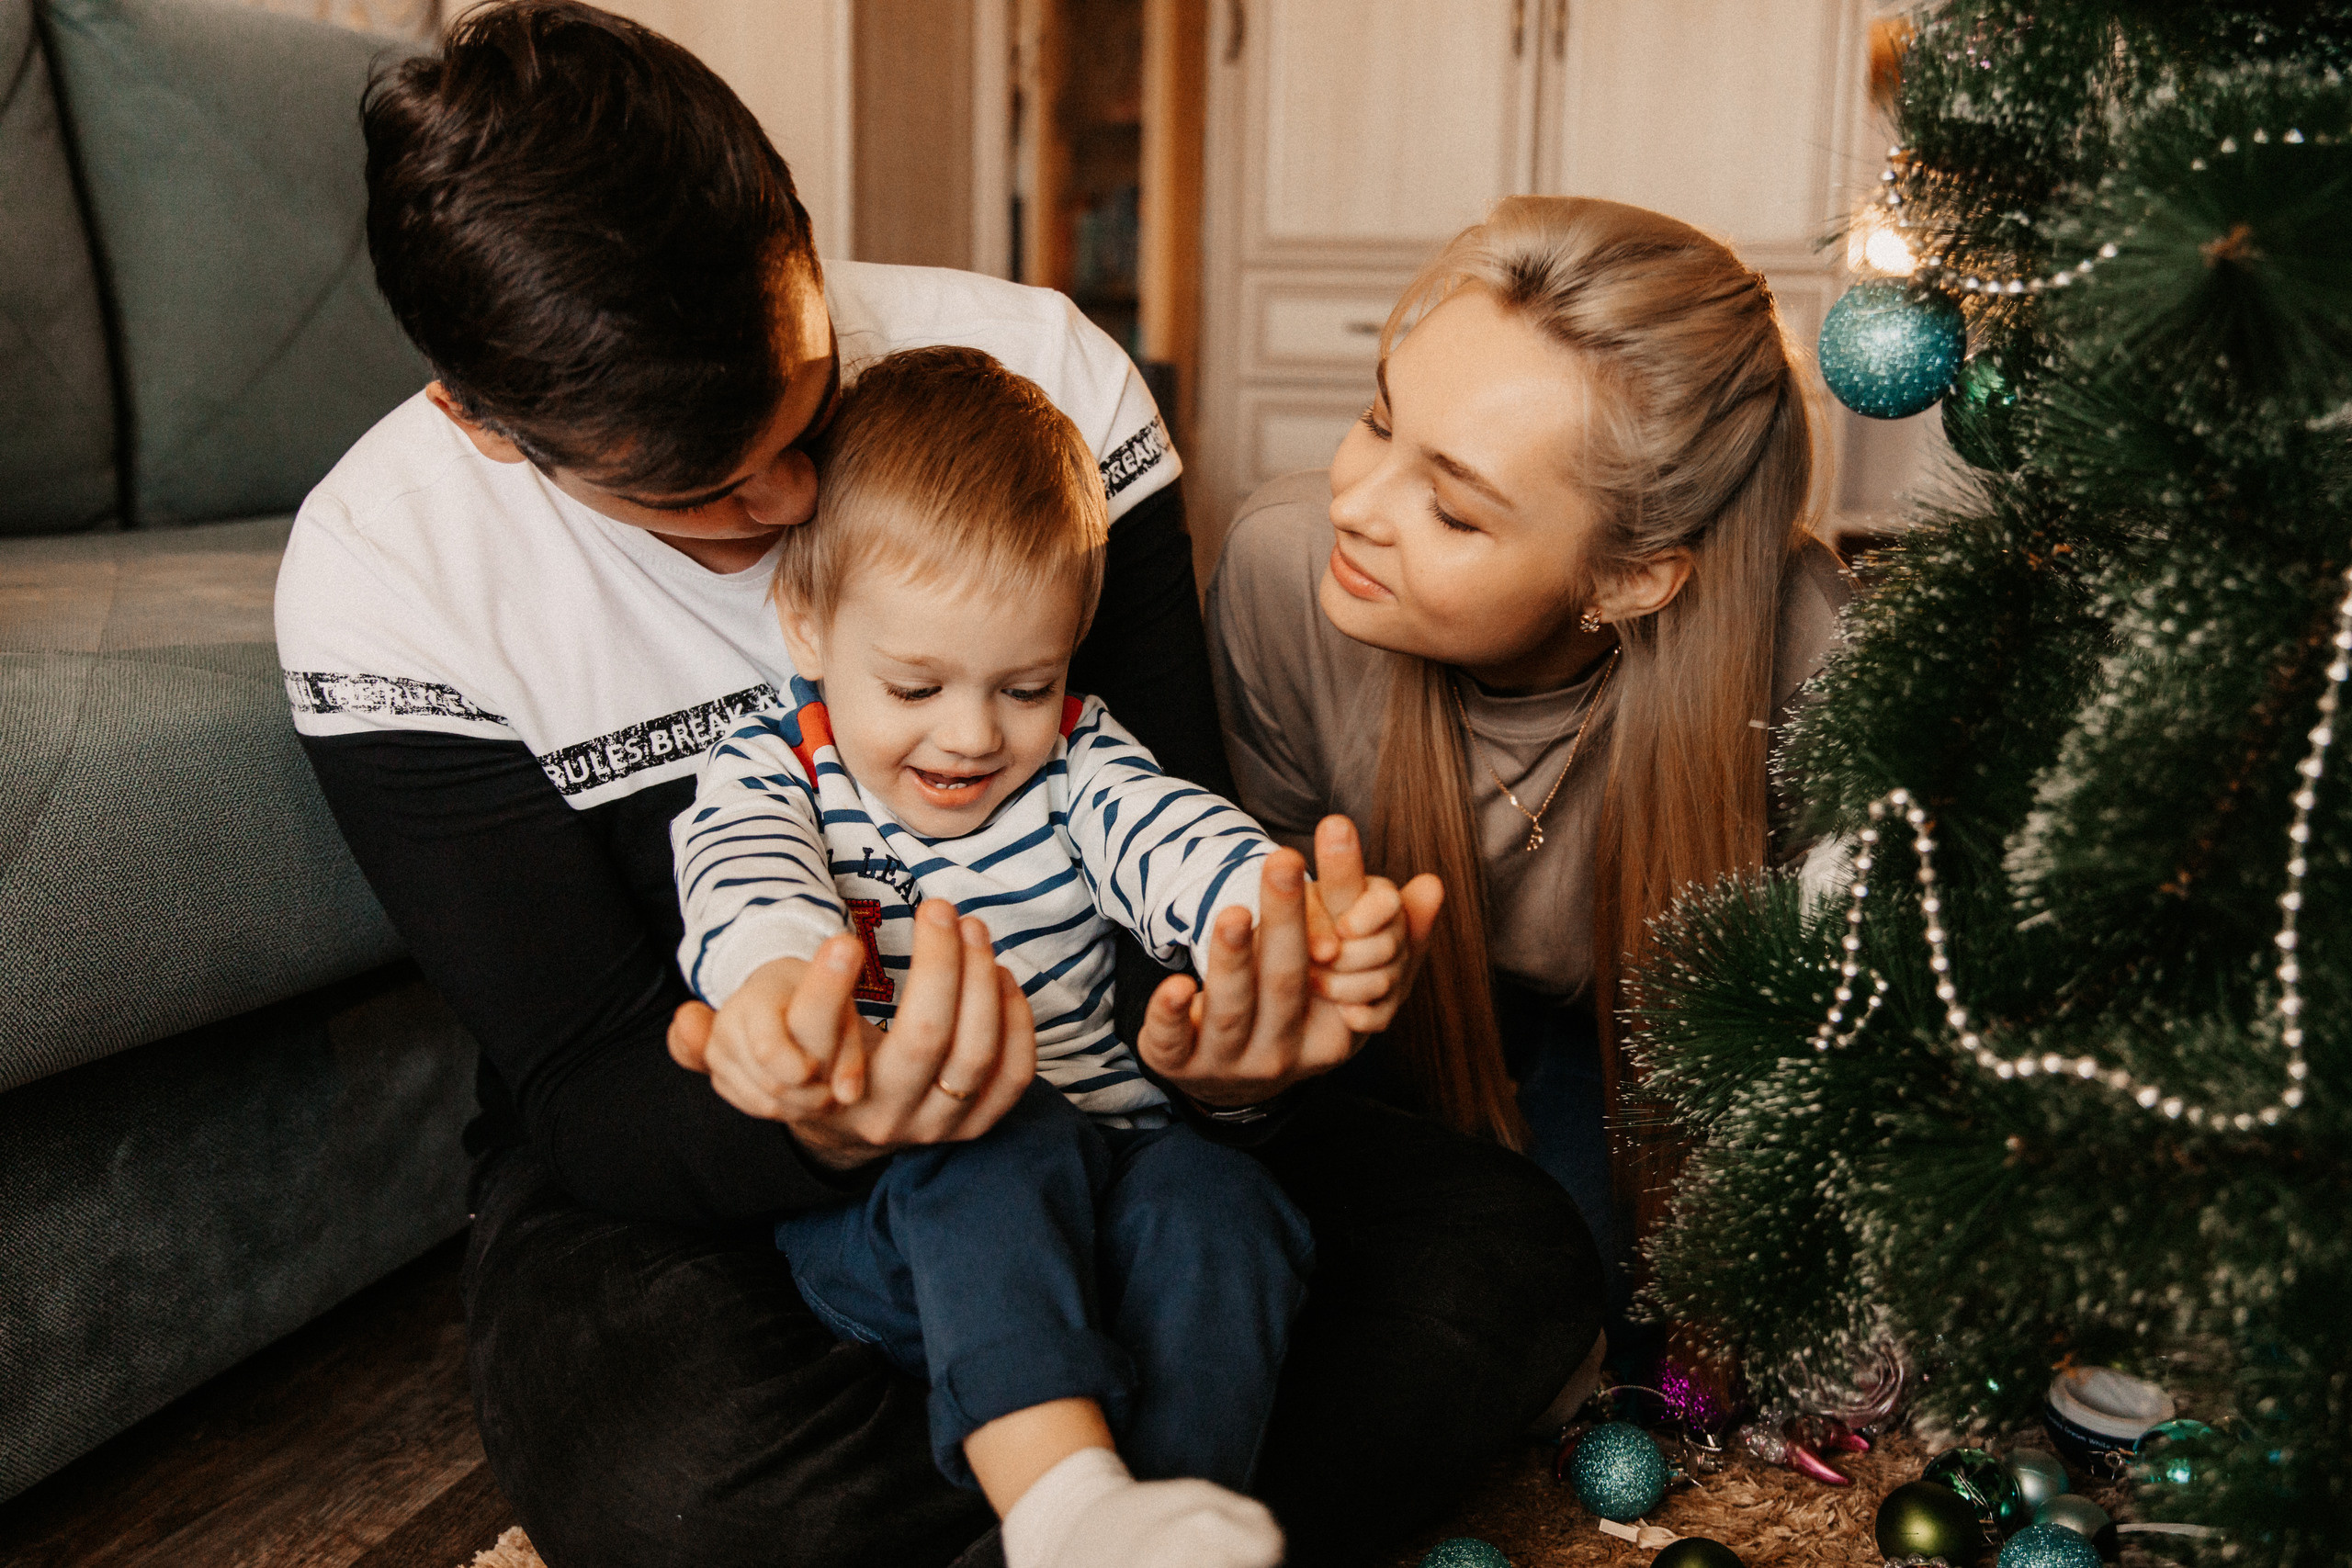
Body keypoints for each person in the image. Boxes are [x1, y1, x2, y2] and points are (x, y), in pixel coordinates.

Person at [277, 6, 1601, 1564]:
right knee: (687, 1488)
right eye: (699, 488)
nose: (791, 500)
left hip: (1110, 1101)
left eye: (808, 400)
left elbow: (1151, 826)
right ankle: (1111, 1497)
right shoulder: (390, 577)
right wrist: (821, 1109)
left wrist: (1244, 1020)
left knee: (1504, 1258)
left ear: (798, 238)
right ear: (483, 424)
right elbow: (590, 1072)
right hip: (703, 1160)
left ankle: (1101, 1503)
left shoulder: (1044, 387)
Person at [674, 346, 1431, 1568]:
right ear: (807, 625)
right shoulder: (777, 773)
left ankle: (1156, 1526)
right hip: (904, 1209)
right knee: (998, 1124)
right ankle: (1063, 1497)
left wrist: (1283, 916)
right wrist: (776, 989)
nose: (972, 734)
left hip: (1106, 1179)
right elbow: (746, 881)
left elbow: (1172, 838)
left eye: (1025, 685)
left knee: (1223, 1198)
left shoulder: (1077, 759)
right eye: (914, 685)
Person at [1206, 196, 1857, 1318]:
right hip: (1393, 1014)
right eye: (1377, 421)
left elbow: (1822, 1046)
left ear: (1630, 579)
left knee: (1610, 1292)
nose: (1353, 504)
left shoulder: (1813, 657)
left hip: (1640, 1048)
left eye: (1454, 513)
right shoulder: (1282, 567)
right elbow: (1263, 926)